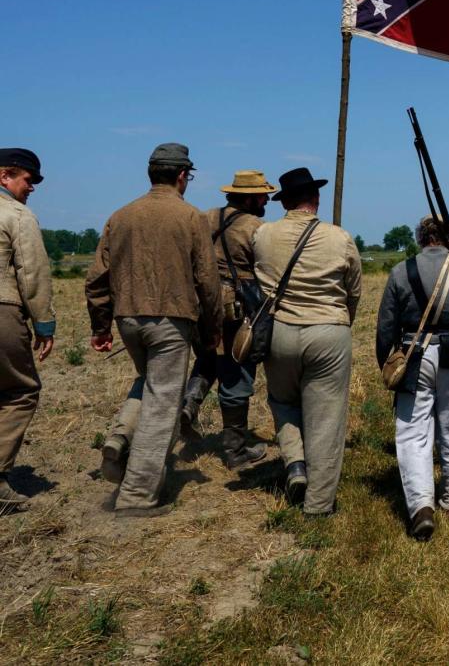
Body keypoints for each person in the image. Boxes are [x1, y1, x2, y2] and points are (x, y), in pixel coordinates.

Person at [86, 144, 222, 517]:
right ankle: (137, 496)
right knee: (163, 404)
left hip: (127, 319)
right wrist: (211, 332)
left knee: (148, 382)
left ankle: (120, 437)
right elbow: (208, 283)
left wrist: (101, 326)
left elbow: (97, 279)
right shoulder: (192, 218)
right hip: (171, 321)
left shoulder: (120, 216)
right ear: (182, 176)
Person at [375, 214, 449, 540]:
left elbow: (386, 326)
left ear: (421, 237)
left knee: (413, 434)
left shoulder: (402, 270)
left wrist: (386, 361)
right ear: (447, 237)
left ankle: (421, 508)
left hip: (414, 357)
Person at [254, 168, 361, 518]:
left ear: (283, 202)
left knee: (282, 401)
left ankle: (296, 463)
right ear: (315, 199)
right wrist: (341, 321)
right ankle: (318, 507)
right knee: (326, 420)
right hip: (328, 330)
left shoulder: (263, 235)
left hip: (280, 331)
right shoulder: (339, 238)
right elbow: (354, 292)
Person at [180, 170, 276, 470]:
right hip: (238, 308)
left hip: (200, 304)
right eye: (262, 195)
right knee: (237, 370)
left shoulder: (204, 217)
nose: (267, 199)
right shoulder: (256, 227)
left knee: (210, 357)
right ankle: (235, 450)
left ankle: (188, 404)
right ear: (249, 197)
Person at [0, 149, 55, 514]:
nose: (32, 187)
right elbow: (32, 271)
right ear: (5, 176)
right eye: (28, 179)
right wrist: (44, 324)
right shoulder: (17, 214)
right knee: (21, 390)